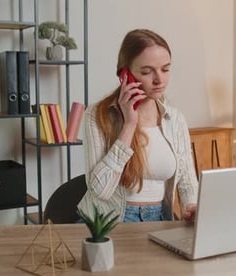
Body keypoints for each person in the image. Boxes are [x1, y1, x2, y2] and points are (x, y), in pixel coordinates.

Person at [77, 29, 198, 223]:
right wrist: (129, 125)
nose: (159, 80)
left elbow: (187, 180)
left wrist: (191, 206)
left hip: (160, 218)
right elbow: (100, 190)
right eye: (147, 72)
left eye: (165, 69)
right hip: (108, 222)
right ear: (125, 75)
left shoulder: (174, 119)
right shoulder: (97, 115)